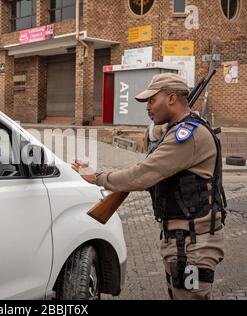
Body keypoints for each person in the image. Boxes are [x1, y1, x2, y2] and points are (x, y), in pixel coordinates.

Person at [72, 73, 227, 300]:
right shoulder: (177, 131)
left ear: (171, 98)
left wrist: (97, 176)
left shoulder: (187, 136)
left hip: (193, 243)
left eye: (152, 100)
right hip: (184, 240)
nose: (148, 107)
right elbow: (153, 172)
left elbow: (143, 174)